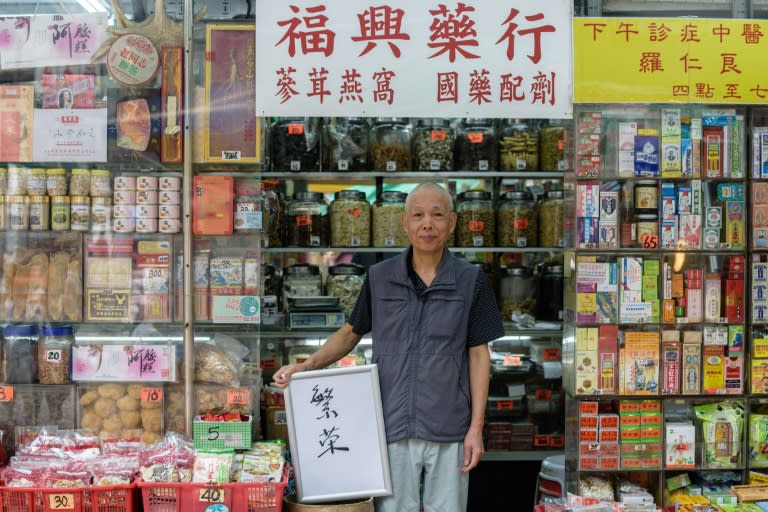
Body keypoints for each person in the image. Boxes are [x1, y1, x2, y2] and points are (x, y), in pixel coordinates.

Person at [274, 182, 504, 512]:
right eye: (418, 215)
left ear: (452, 222)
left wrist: (475, 429)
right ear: (404, 223)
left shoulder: (472, 280)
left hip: (449, 424)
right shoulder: (380, 277)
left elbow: (479, 355)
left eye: (437, 215)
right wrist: (306, 366)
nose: (428, 224)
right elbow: (350, 333)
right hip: (389, 426)